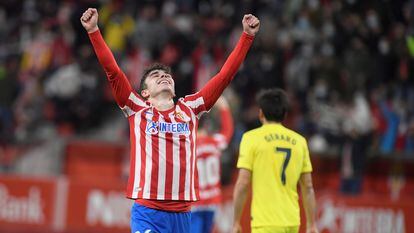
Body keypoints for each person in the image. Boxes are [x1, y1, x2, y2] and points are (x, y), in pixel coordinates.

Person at [80, 8, 259, 233]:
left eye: (167, 76)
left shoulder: (191, 109)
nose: (164, 77)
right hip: (148, 212)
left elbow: (224, 76)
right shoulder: (136, 108)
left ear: (174, 89)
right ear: (145, 93)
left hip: (182, 215)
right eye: (156, 76)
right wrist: (94, 30)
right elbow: (113, 71)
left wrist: (246, 37)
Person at [232, 88, 318, 233]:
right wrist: (311, 224)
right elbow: (308, 187)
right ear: (284, 114)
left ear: (260, 113)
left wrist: (236, 221)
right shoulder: (299, 141)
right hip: (292, 222)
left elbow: (243, 183)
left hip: (265, 223)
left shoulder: (251, 138)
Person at [191, 96, 234, 233]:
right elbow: (227, 131)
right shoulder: (215, 142)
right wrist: (224, 108)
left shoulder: (189, 145)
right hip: (213, 199)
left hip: (196, 201)